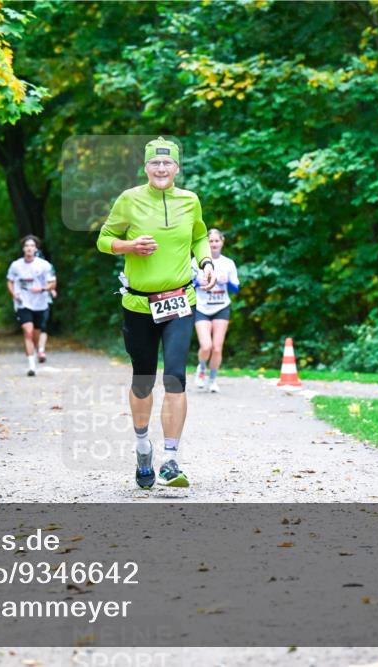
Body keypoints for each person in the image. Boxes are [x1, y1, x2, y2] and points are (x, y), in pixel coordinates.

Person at [97, 137, 215, 489]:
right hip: (138, 304)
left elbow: (199, 236)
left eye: (167, 164)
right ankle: (142, 448)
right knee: (143, 379)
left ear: (177, 168)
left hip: (180, 301)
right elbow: (104, 239)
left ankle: (171, 459)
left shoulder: (189, 200)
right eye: (155, 164)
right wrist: (128, 246)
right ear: (146, 167)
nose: (161, 169)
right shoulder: (129, 200)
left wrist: (205, 261)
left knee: (175, 376)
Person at [192, 229, 240, 393]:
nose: (213, 244)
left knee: (217, 348)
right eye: (210, 241)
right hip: (201, 307)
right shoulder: (195, 262)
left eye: (216, 241)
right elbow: (187, 285)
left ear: (222, 241)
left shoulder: (228, 263)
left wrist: (227, 282)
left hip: (221, 307)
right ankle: (202, 368)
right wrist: (198, 281)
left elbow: (236, 289)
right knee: (206, 346)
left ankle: (213, 380)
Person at [7, 236, 56, 376]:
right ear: (23, 248)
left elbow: (53, 283)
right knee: (27, 331)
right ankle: (31, 365)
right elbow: (10, 281)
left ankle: (36, 349)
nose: (29, 248)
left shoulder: (44, 265)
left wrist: (42, 289)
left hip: (40, 303)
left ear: (36, 248)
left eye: (32, 245)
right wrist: (13, 294)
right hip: (23, 303)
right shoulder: (16, 265)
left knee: (36, 334)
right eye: (26, 245)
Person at [35, 252, 57, 363]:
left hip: (44, 301)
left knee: (42, 326)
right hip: (30, 302)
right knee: (34, 328)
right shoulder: (27, 268)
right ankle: (36, 347)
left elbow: (52, 281)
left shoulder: (47, 267)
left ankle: (41, 350)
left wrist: (52, 290)